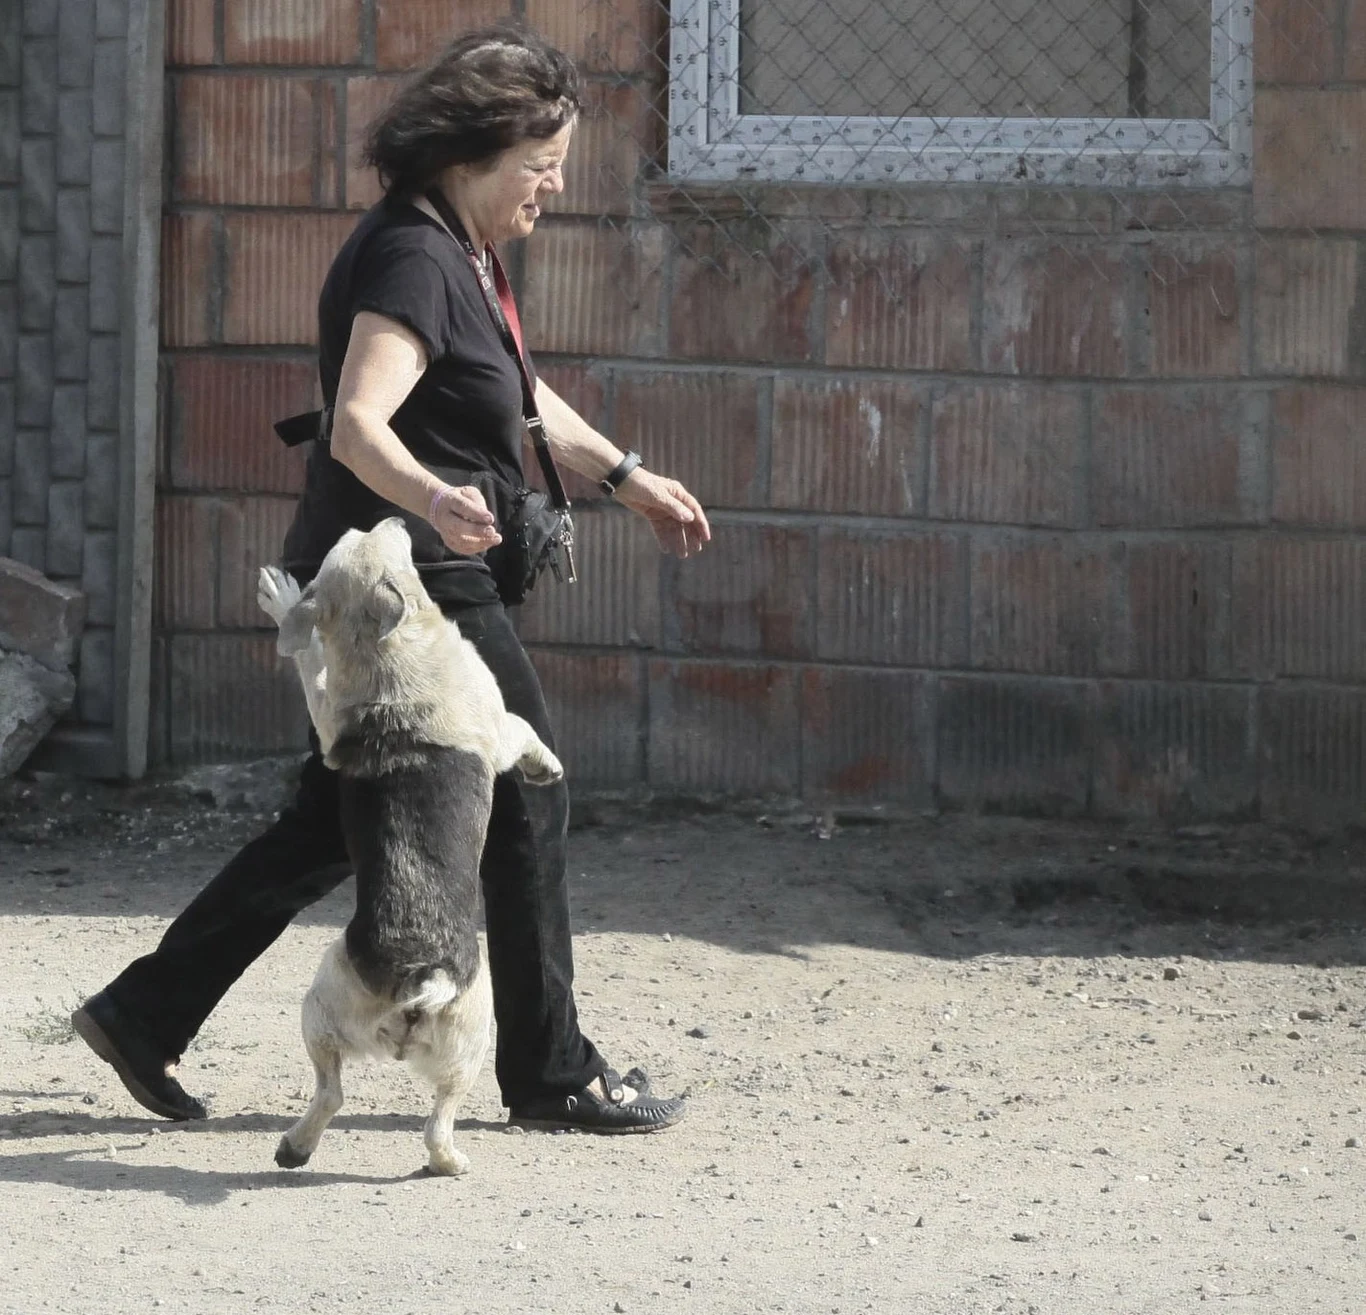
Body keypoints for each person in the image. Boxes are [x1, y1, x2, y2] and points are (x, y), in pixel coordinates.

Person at [71, 24, 710, 1134]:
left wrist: (624, 474)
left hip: (404, 581)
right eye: (542, 161)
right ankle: (552, 1069)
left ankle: (144, 1011)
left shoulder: (454, 248)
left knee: (338, 817)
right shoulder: (415, 257)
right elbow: (361, 424)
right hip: (409, 590)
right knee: (523, 789)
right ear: (472, 149)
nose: (555, 185)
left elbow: (511, 393)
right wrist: (433, 499)